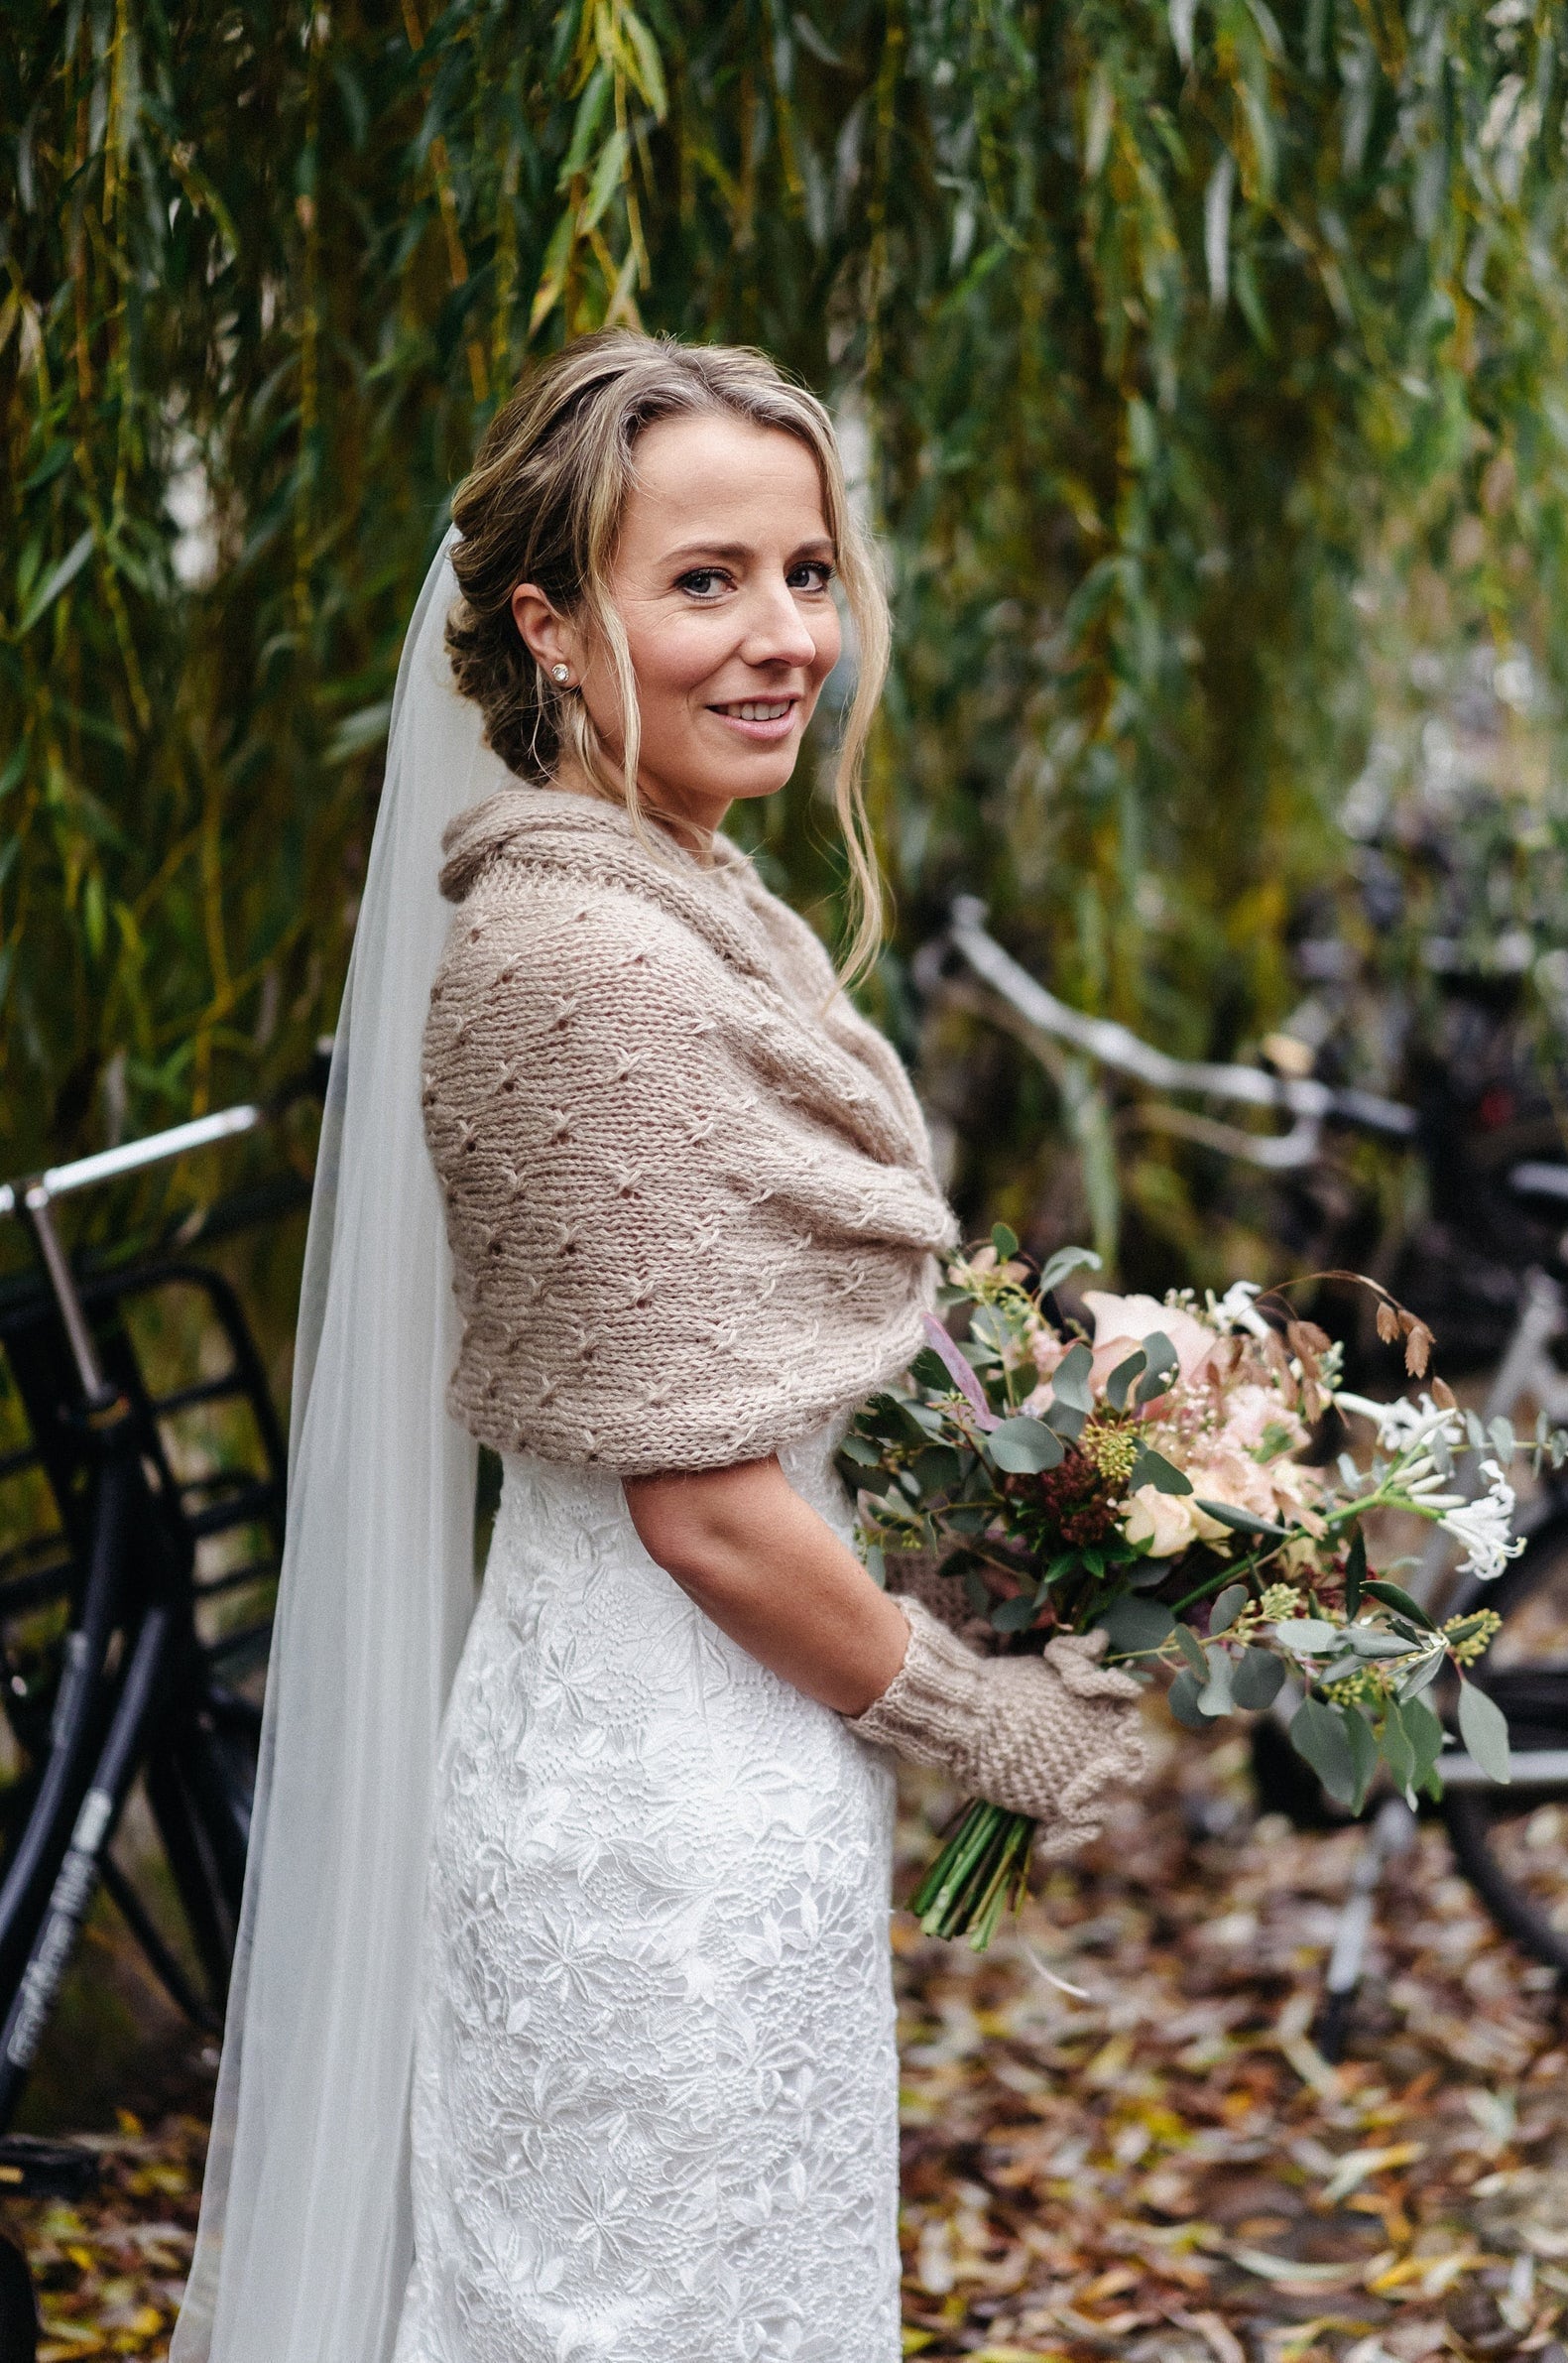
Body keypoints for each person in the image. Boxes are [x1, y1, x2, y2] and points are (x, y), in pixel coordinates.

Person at [173, 331, 1146, 2363]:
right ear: (550, 625)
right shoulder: (586, 960)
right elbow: (696, 1506)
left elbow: (754, 1360)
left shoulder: (695, 895)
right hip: (652, 1804)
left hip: (735, 1750)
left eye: (806, 572)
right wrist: (984, 1720)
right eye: (705, 581)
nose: (784, 637)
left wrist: (1058, 1492)